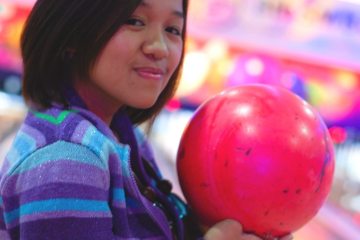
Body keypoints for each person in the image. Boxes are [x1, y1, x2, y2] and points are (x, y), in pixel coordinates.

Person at [0, 0, 293, 239]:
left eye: (172, 29)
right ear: (72, 31)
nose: (160, 47)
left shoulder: (125, 138)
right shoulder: (67, 162)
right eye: (135, 21)